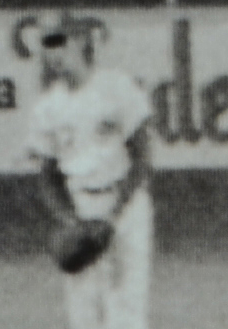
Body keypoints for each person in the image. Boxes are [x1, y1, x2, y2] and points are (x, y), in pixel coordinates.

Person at [25, 17, 152, 329]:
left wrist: (112, 216)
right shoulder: (47, 107)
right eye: (47, 45)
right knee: (83, 315)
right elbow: (47, 177)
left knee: (126, 312)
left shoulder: (117, 86)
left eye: (60, 42)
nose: (53, 54)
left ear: (82, 41)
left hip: (125, 207)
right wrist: (71, 220)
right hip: (81, 206)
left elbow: (142, 158)